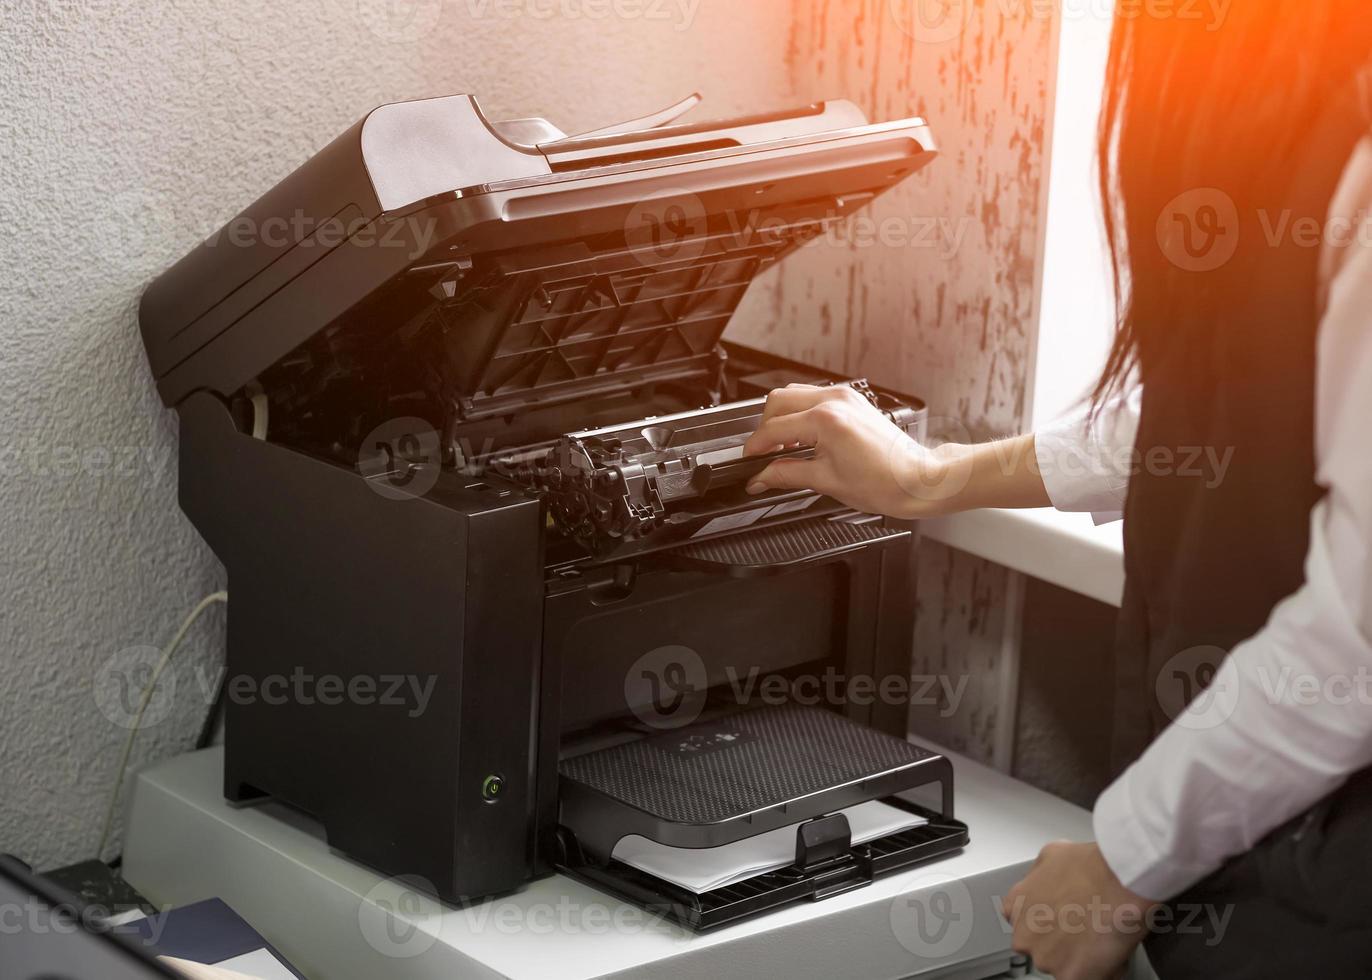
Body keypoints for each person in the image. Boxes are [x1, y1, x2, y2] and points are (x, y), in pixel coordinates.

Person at [742, 4, 1372, 977]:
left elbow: (1357, 634)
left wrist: (1123, 861)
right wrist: (928, 475)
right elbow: (1222, 415)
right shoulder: (1283, 124)